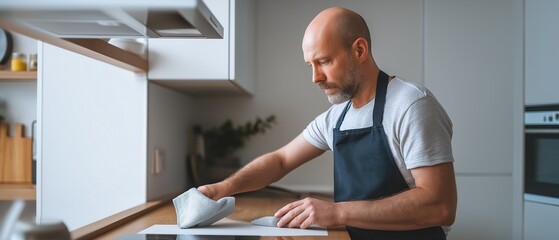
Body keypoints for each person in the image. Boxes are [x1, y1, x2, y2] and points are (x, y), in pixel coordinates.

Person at [198, 6, 457, 240]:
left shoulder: (411, 105)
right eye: (310, 65)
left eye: (324, 61)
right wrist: (223, 187)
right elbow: (281, 160)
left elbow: (440, 206)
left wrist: (337, 212)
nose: (315, 77)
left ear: (359, 50)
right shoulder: (338, 116)